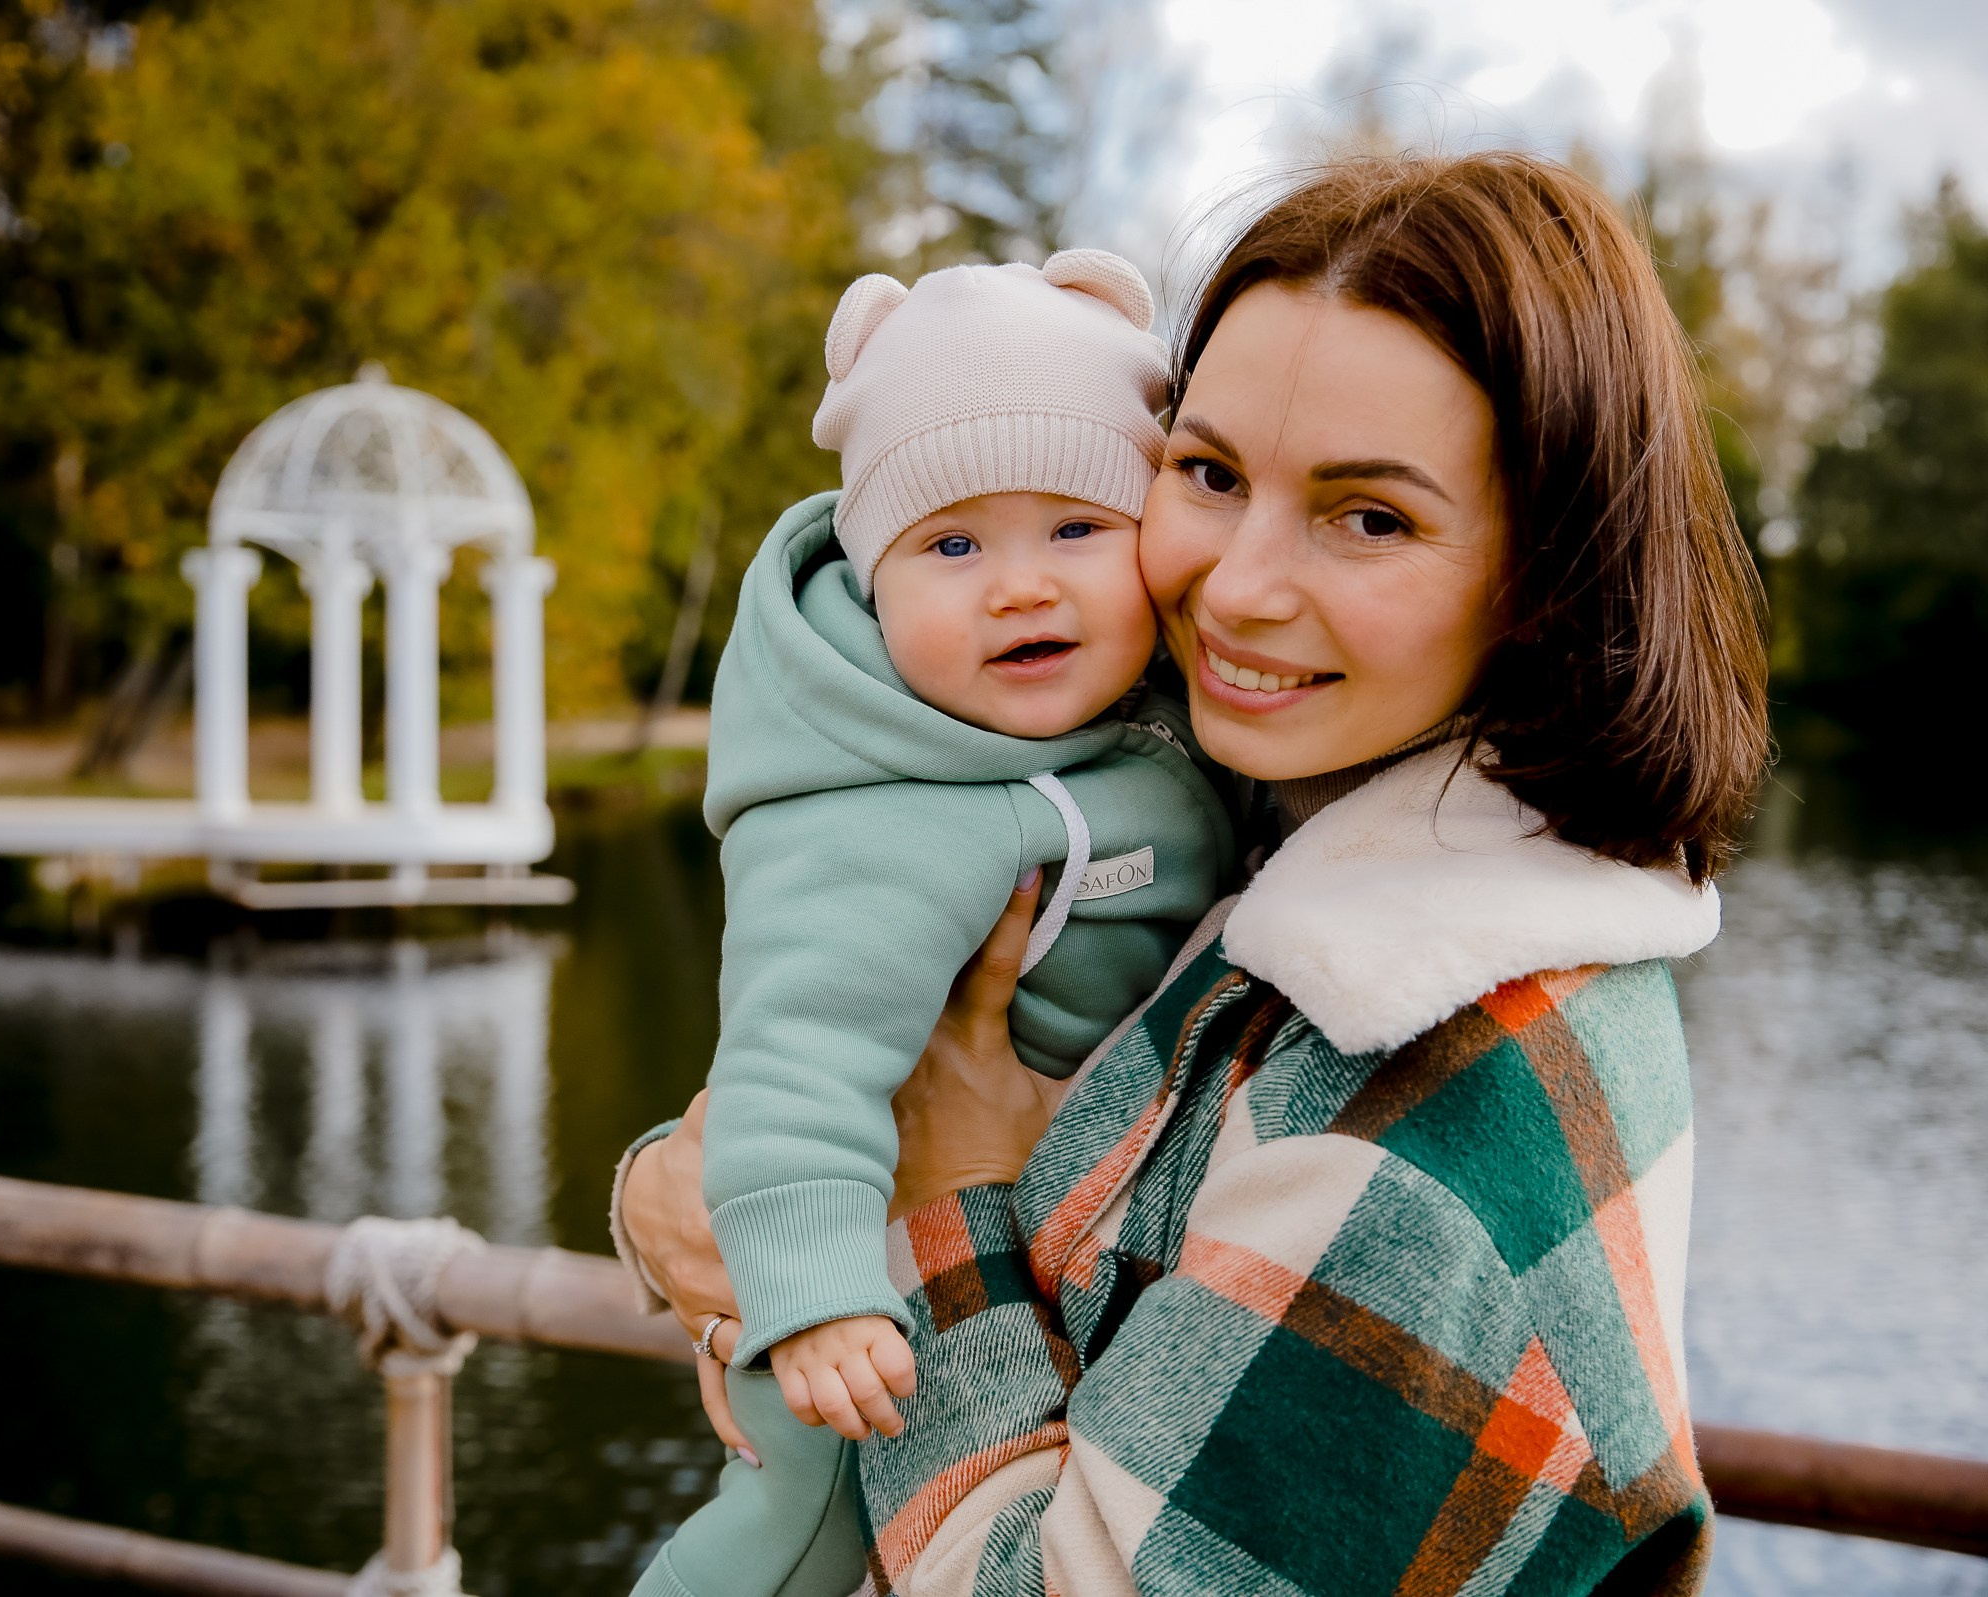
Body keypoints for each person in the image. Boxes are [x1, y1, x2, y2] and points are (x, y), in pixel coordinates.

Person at [619, 149, 1768, 1596]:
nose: (1233, 584)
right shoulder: (1275, 834)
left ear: (1549, 571)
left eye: (1370, 516)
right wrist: (679, 1187)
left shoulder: (1431, 1114)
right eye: (1209, 473)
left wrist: (938, 1192)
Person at [630, 252, 1236, 1597]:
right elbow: (799, 1053)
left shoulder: (1131, 736)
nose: (1019, 585)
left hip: (1038, 1276)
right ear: (872, 576)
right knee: (788, 1530)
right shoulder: (885, 808)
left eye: (1077, 528)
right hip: (871, 1292)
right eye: (952, 545)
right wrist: (817, 1291)